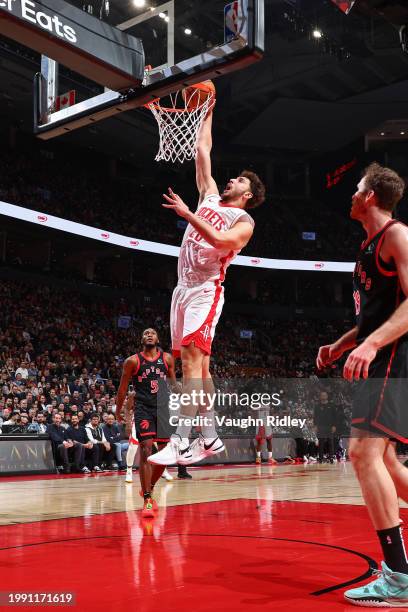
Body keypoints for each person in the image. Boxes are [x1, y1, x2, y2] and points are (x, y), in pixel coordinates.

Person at [150, 87, 266, 467]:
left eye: (239, 183)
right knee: (200, 366)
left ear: (248, 196)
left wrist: (187, 214)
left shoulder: (244, 222)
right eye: (232, 179)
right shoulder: (211, 195)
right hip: (181, 290)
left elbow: (217, 239)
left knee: (192, 364)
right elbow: (203, 150)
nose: (230, 181)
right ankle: (212, 437)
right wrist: (207, 109)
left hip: (205, 290)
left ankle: (182, 441)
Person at [316, 162, 408, 606]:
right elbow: (374, 315)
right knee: (387, 464)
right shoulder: (367, 245)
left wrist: (371, 346)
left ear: (371, 195)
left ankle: (398, 577)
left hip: (393, 357)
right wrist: (340, 344)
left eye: (356, 189)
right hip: (381, 354)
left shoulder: (397, 235)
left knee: (361, 453)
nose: (350, 195)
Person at [116, 328, 178, 517]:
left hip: (163, 408)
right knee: (146, 449)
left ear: (158, 338)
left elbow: (174, 385)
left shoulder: (167, 359)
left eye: (152, 333)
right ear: (142, 339)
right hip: (143, 408)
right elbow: (123, 388)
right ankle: (148, 500)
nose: (149, 335)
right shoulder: (132, 361)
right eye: (145, 333)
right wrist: (119, 410)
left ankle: (148, 487)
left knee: (166, 454)